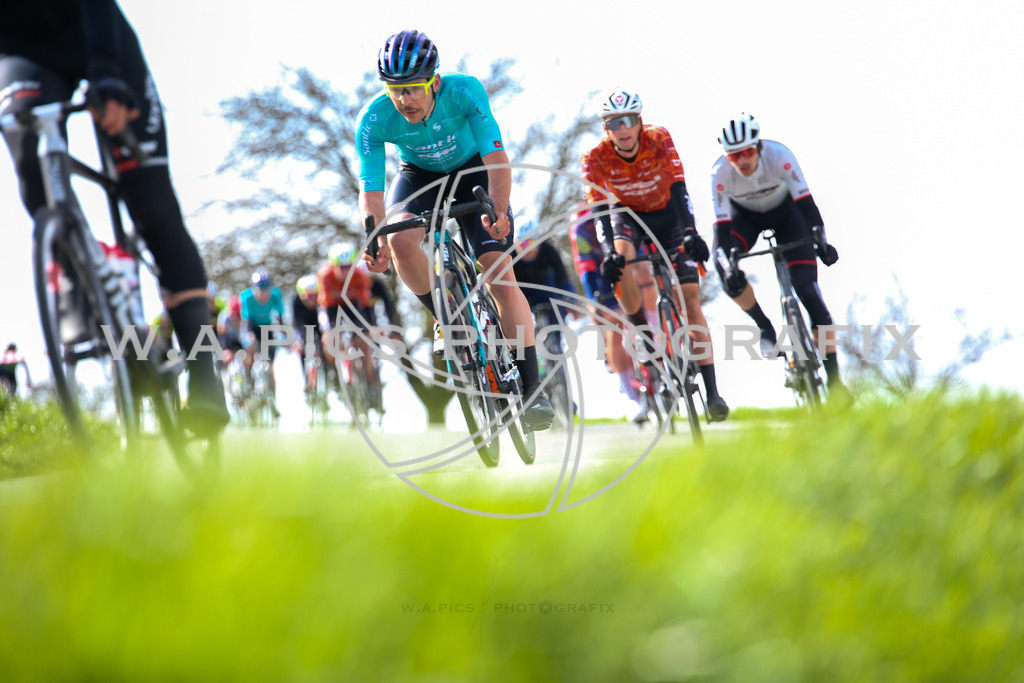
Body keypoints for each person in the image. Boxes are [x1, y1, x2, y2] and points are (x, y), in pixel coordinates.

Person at [0, 0, 228, 436]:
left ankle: (203, 374)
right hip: (22, 54)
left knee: (153, 208)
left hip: (99, 36)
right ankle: (97, 309)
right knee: (31, 169)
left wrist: (105, 70)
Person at [357, 29, 554, 432]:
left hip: (473, 173)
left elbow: (496, 156)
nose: (404, 100)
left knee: (499, 275)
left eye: (412, 89)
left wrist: (498, 209)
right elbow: (372, 191)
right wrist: (373, 239)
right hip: (419, 178)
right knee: (398, 238)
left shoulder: (464, 92)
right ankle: (445, 316)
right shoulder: (374, 118)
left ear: (433, 81)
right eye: (395, 90)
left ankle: (533, 390)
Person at [582, 89, 729, 421]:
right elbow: (598, 210)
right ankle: (643, 333)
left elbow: (679, 186)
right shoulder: (594, 157)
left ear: (639, 122)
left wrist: (690, 232)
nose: (623, 129)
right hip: (628, 217)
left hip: (668, 214)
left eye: (629, 121)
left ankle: (713, 392)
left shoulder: (658, 138)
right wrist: (607, 253)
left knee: (690, 300)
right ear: (606, 129)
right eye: (614, 123)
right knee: (620, 264)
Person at [710, 113, 848, 398]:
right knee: (726, 272)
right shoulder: (719, 174)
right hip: (744, 220)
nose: (743, 161)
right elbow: (722, 236)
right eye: (735, 156)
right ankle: (764, 326)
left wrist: (821, 241)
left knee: (808, 292)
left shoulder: (780, 156)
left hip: (788, 215)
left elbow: (808, 206)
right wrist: (728, 268)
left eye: (747, 152)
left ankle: (835, 381)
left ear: (758, 147)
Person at [570, 207, 653, 424]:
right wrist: (594, 301)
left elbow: (641, 252)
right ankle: (630, 397)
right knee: (613, 329)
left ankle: (657, 350)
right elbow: (586, 267)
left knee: (646, 290)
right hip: (600, 273)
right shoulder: (582, 226)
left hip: (628, 262)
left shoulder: (623, 211)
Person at [240, 269, 284, 416]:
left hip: (268, 329)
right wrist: (249, 338)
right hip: (253, 328)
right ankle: (250, 387)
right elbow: (246, 323)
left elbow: (280, 318)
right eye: (260, 290)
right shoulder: (246, 297)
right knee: (250, 355)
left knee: (270, 366)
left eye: (266, 290)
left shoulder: (276, 295)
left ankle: (273, 400)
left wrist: (284, 336)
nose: (263, 294)